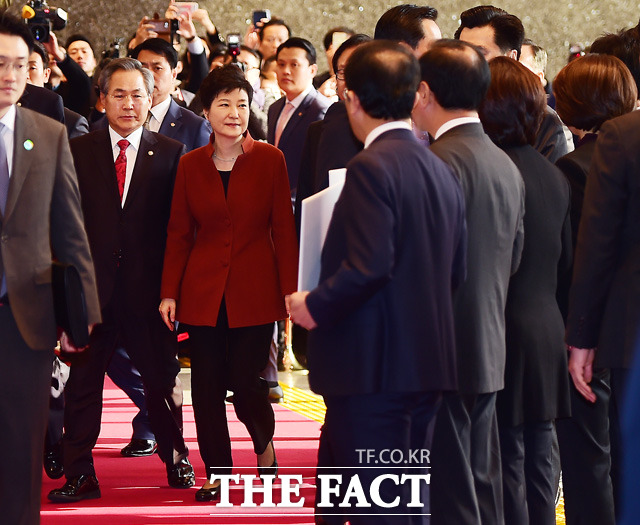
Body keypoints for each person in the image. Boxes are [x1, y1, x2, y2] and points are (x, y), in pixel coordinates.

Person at [287, 40, 467, 525]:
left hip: (373, 371)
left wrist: (312, 305)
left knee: (374, 508)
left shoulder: (369, 168)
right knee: (407, 504)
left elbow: (368, 266)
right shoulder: (440, 168)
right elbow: (455, 271)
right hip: (425, 365)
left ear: (353, 99)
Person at [48, 57, 194, 503]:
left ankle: (177, 459)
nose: (129, 104)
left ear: (150, 98)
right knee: (83, 389)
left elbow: (178, 229)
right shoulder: (77, 151)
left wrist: (171, 291)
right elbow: (62, 225)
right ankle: (79, 473)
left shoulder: (170, 152)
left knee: (162, 383)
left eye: (137, 95)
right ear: (101, 99)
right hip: (90, 294)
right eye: (119, 94)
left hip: (148, 294)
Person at [159, 64, 298, 502]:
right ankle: (218, 471)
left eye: (242, 104)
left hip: (256, 291)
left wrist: (291, 289)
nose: (234, 112)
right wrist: (169, 290)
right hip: (202, 293)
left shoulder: (270, 159)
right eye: (224, 104)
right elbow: (179, 233)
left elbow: (284, 228)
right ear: (206, 111)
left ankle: (264, 445)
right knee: (204, 387)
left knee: (246, 383)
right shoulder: (190, 165)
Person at [412, 39, 525, 525]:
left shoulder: (433, 162)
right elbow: (513, 256)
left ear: (424, 92)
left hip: (439, 350)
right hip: (488, 344)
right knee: (481, 484)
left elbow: (416, 266)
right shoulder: (505, 163)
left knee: (451, 495)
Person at [0, 11, 100, 524]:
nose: (10, 75)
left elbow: (70, 227)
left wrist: (82, 316)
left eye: (20, 64)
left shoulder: (46, 131)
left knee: (21, 443)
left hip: (26, 314)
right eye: (0, 63)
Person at [478, 56, 572, 525]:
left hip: (505, 322)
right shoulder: (554, 172)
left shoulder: (493, 170)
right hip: (547, 322)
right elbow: (566, 259)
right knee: (542, 448)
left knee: (508, 452)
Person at [552, 54, 638, 525]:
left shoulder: (577, 166)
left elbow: (589, 252)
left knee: (595, 456)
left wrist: (577, 332)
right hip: (620, 329)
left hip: (599, 327)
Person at [455, 5, 573, 163]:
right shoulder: (449, 107)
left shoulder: (540, 118)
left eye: (480, 53)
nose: (468, 62)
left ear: (511, 57)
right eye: (462, 52)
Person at [267, 37, 331, 198]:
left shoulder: (322, 110)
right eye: (281, 64)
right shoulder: (274, 108)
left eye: (294, 65)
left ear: (312, 70)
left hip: (301, 204)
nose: (286, 71)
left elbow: (320, 170)